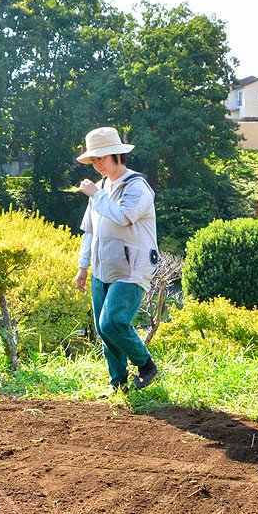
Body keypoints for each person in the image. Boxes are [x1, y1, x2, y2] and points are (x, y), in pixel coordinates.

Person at [73, 127, 160, 395]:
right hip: (102, 267)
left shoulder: (137, 186)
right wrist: (83, 267)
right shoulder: (100, 188)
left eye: (101, 158)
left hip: (132, 267)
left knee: (112, 322)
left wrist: (95, 195)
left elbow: (124, 216)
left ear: (117, 155)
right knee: (103, 330)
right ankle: (119, 384)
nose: (97, 165)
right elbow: (90, 230)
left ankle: (146, 365)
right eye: (93, 160)